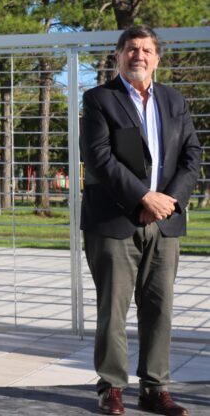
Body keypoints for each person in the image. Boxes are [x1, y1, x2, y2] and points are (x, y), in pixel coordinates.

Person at [80, 26, 202, 416]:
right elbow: (99, 158)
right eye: (131, 49)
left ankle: (155, 388)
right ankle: (111, 387)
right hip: (115, 221)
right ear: (118, 56)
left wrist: (168, 202)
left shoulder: (174, 100)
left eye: (147, 50)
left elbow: (191, 155)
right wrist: (142, 197)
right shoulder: (99, 99)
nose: (139, 55)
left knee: (159, 307)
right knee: (112, 309)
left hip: (164, 224)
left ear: (157, 58)